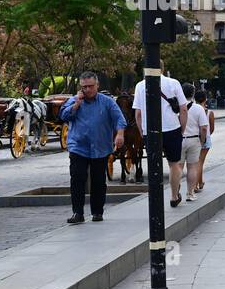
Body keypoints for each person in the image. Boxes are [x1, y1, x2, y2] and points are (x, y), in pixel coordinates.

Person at [59, 71, 126, 224]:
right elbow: (63, 116)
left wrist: (120, 134)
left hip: (100, 147)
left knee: (98, 181)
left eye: (90, 86)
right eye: (84, 87)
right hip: (78, 146)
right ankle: (78, 213)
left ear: (97, 85)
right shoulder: (74, 100)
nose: (88, 90)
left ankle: (97, 212)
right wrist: (76, 104)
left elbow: (119, 119)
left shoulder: (107, 101)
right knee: (77, 179)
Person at [132, 63, 189, 207]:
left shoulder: (140, 86)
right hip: (172, 128)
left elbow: (138, 114)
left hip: (149, 130)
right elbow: (183, 109)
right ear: (163, 69)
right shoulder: (173, 83)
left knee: (153, 163)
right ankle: (174, 195)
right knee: (174, 163)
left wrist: (142, 131)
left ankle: (156, 197)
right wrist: (182, 129)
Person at [179, 82, 209, 203]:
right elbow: (204, 128)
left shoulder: (176, 107)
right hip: (193, 139)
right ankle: (190, 193)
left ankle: (176, 192)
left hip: (179, 140)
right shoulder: (198, 109)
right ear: (193, 94)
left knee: (177, 167)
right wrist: (202, 141)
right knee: (192, 167)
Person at [194, 89, 215, 192]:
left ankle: (200, 182)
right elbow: (211, 129)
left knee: (195, 162)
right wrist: (206, 135)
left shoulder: (192, 110)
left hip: (193, 138)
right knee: (200, 162)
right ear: (205, 99)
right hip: (205, 139)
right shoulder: (209, 112)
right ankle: (196, 184)